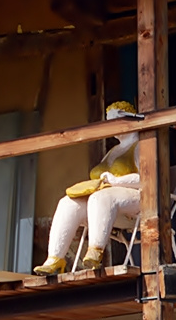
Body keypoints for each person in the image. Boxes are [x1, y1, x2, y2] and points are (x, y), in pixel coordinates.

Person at [33, 101, 139, 274]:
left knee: (101, 198)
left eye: (114, 121)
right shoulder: (113, 150)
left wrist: (115, 181)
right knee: (68, 202)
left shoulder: (140, 146)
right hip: (106, 204)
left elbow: (146, 178)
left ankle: (95, 251)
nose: (110, 126)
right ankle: (54, 259)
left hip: (135, 201)